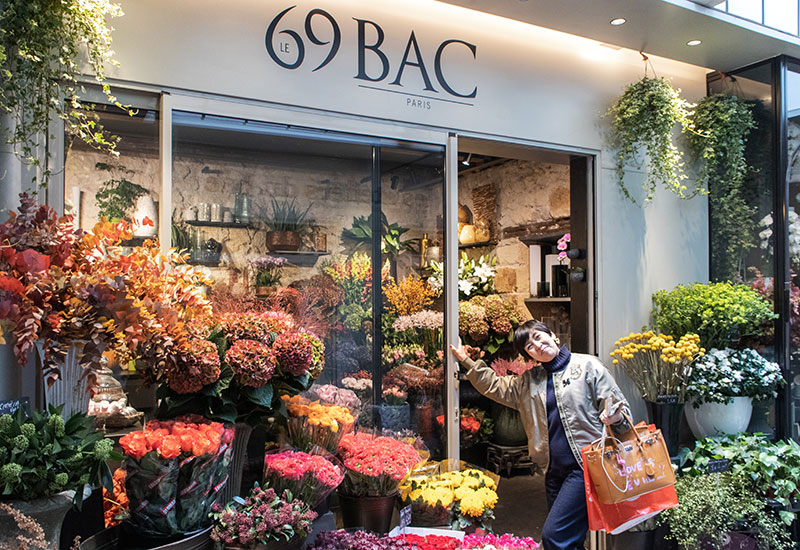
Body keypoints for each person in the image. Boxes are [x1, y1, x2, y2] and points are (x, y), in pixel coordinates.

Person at [450, 320, 631, 550]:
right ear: (529, 355)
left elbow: (622, 412)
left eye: (538, 337)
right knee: (570, 541)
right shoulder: (529, 381)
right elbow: (494, 385)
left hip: (585, 468)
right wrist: (466, 360)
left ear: (552, 335)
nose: (537, 345)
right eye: (529, 346)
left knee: (554, 536)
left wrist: (616, 419)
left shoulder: (588, 366)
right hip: (554, 472)